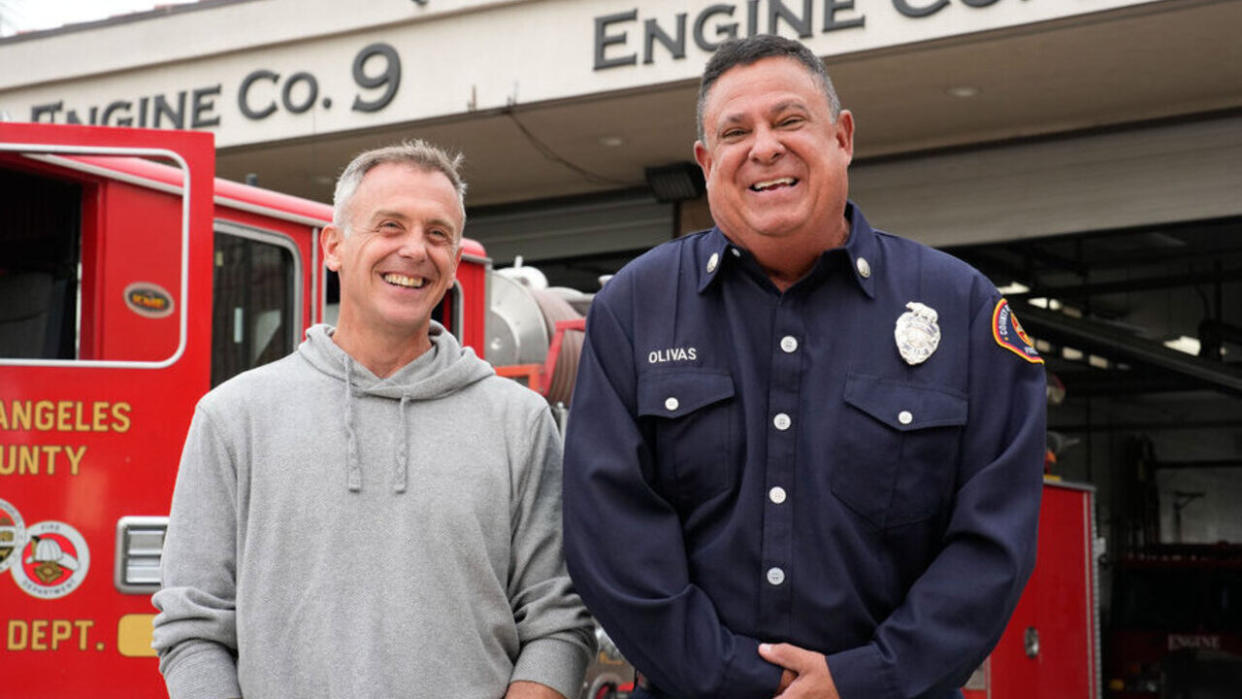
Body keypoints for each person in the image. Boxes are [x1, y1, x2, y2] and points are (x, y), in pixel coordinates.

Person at [562, 35, 1046, 699]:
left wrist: (862, 679)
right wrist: (739, 679)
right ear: (706, 162)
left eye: (789, 121)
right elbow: (612, 542)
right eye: (736, 131)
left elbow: (993, 545)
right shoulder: (634, 310)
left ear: (842, 137)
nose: (764, 147)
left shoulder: (962, 310)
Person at [153, 141, 594, 699]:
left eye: (437, 234)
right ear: (333, 247)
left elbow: (559, 620)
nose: (415, 250)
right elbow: (192, 627)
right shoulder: (233, 417)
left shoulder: (519, 422)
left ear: (455, 262)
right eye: (390, 226)